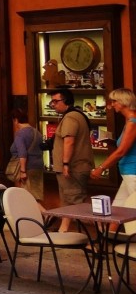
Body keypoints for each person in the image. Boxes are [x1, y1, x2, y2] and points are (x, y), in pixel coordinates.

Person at [47, 87, 93, 232]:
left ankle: (87, 240)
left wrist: (65, 163)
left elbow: (69, 141)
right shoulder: (75, 115)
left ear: (66, 101)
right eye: (52, 102)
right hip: (71, 167)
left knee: (75, 202)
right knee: (67, 200)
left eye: (56, 101)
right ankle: (64, 230)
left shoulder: (71, 117)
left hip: (73, 168)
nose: (53, 105)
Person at [91, 88, 136, 208]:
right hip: (128, 172)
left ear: (123, 102)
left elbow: (121, 151)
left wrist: (101, 168)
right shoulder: (129, 121)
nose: (112, 105)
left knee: (127, 210)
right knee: (118, 209)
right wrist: (112, 142)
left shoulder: (132, 122)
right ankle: (109, 228)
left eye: (114, 101)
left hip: (133, 172)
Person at [8, 107, 44, 209]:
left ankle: (46, 215)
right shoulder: (37, 132)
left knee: (28, 197)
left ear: (15, 120)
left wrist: (23, 171)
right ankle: (42, 218)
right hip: (38, 167)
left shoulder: (20, 134)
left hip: (27, 168)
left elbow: (22, 153)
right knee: (35, 196)